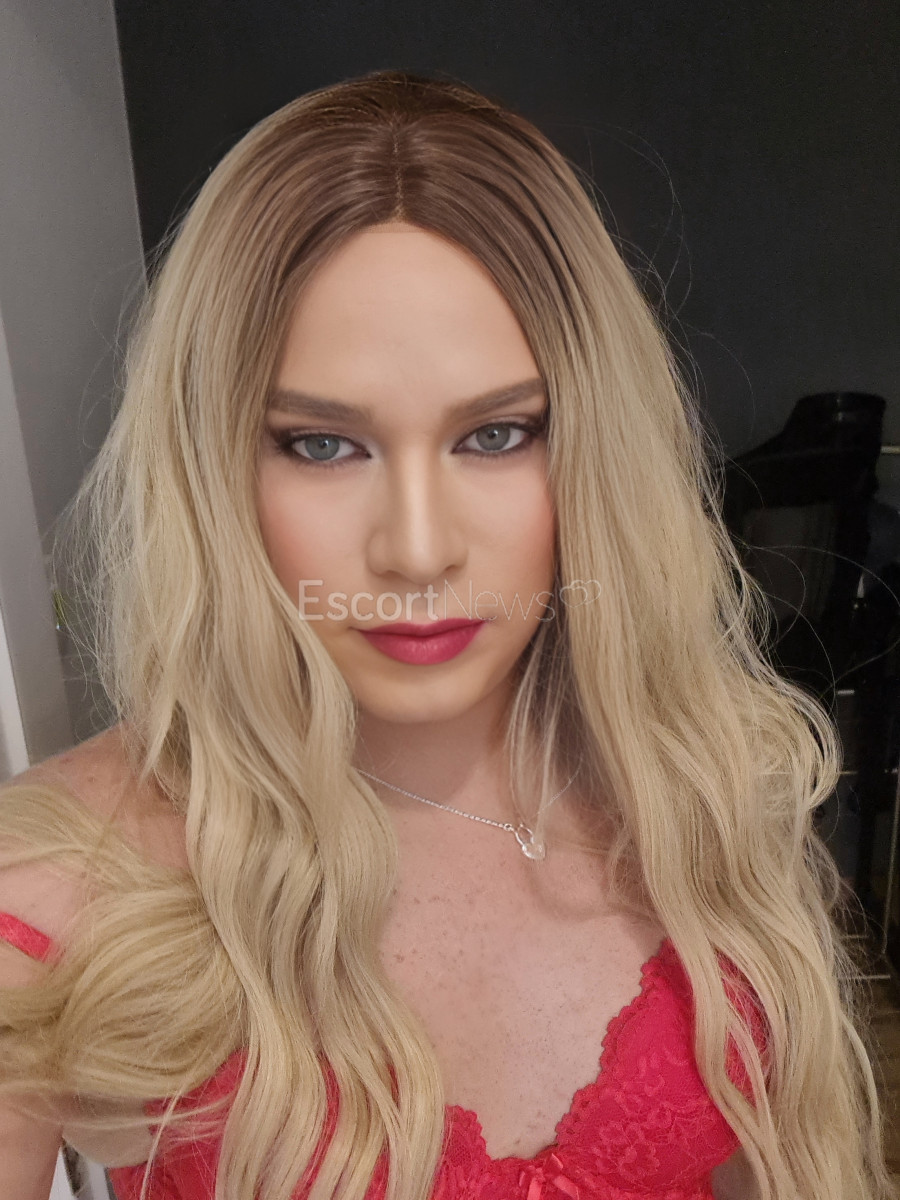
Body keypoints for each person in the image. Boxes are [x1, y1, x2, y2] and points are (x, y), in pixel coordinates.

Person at [0, 68, 894, 1200]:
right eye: (322, 445)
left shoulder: (693, 785)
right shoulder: (53, 887)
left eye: (498, 434)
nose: (418, 551)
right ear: (213, 467)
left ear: (593, 452)